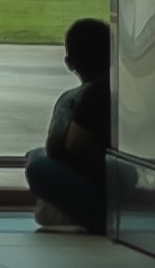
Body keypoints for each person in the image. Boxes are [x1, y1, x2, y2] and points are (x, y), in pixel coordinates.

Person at [27, 18, 114, 233]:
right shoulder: (125, 92)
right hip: (120, 181)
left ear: (69, 63)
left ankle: (69, 213)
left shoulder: (74, 99)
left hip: (97, 188)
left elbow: (58, 149)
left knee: (36, 160)